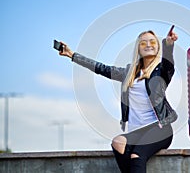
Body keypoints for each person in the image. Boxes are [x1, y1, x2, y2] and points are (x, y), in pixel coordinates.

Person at [58, 29, 178, 173]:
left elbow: (168, 63)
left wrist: (168, 45)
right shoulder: (129, 73)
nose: (148, 45)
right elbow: (101, 68)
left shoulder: (161, 72)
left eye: (152, 42)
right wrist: (72, 55)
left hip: (160, 129)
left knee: (136, 155)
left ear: (157, 46)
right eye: (143, 43)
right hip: (138, 132)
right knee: (118, 143)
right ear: (138, 48)